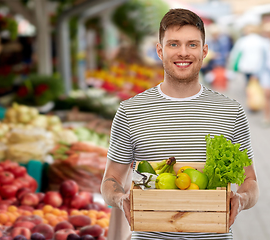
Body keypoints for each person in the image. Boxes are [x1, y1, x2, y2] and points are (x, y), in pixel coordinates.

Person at [101, 8, 259, 240]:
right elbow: (110, 180)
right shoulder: (130, 111)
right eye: (173, 44)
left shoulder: (230, 111)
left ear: (204, 51)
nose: (183, 53)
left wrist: (242, 199)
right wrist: (119, 197)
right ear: (159, 50)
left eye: (192, 45)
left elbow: (250, 181)